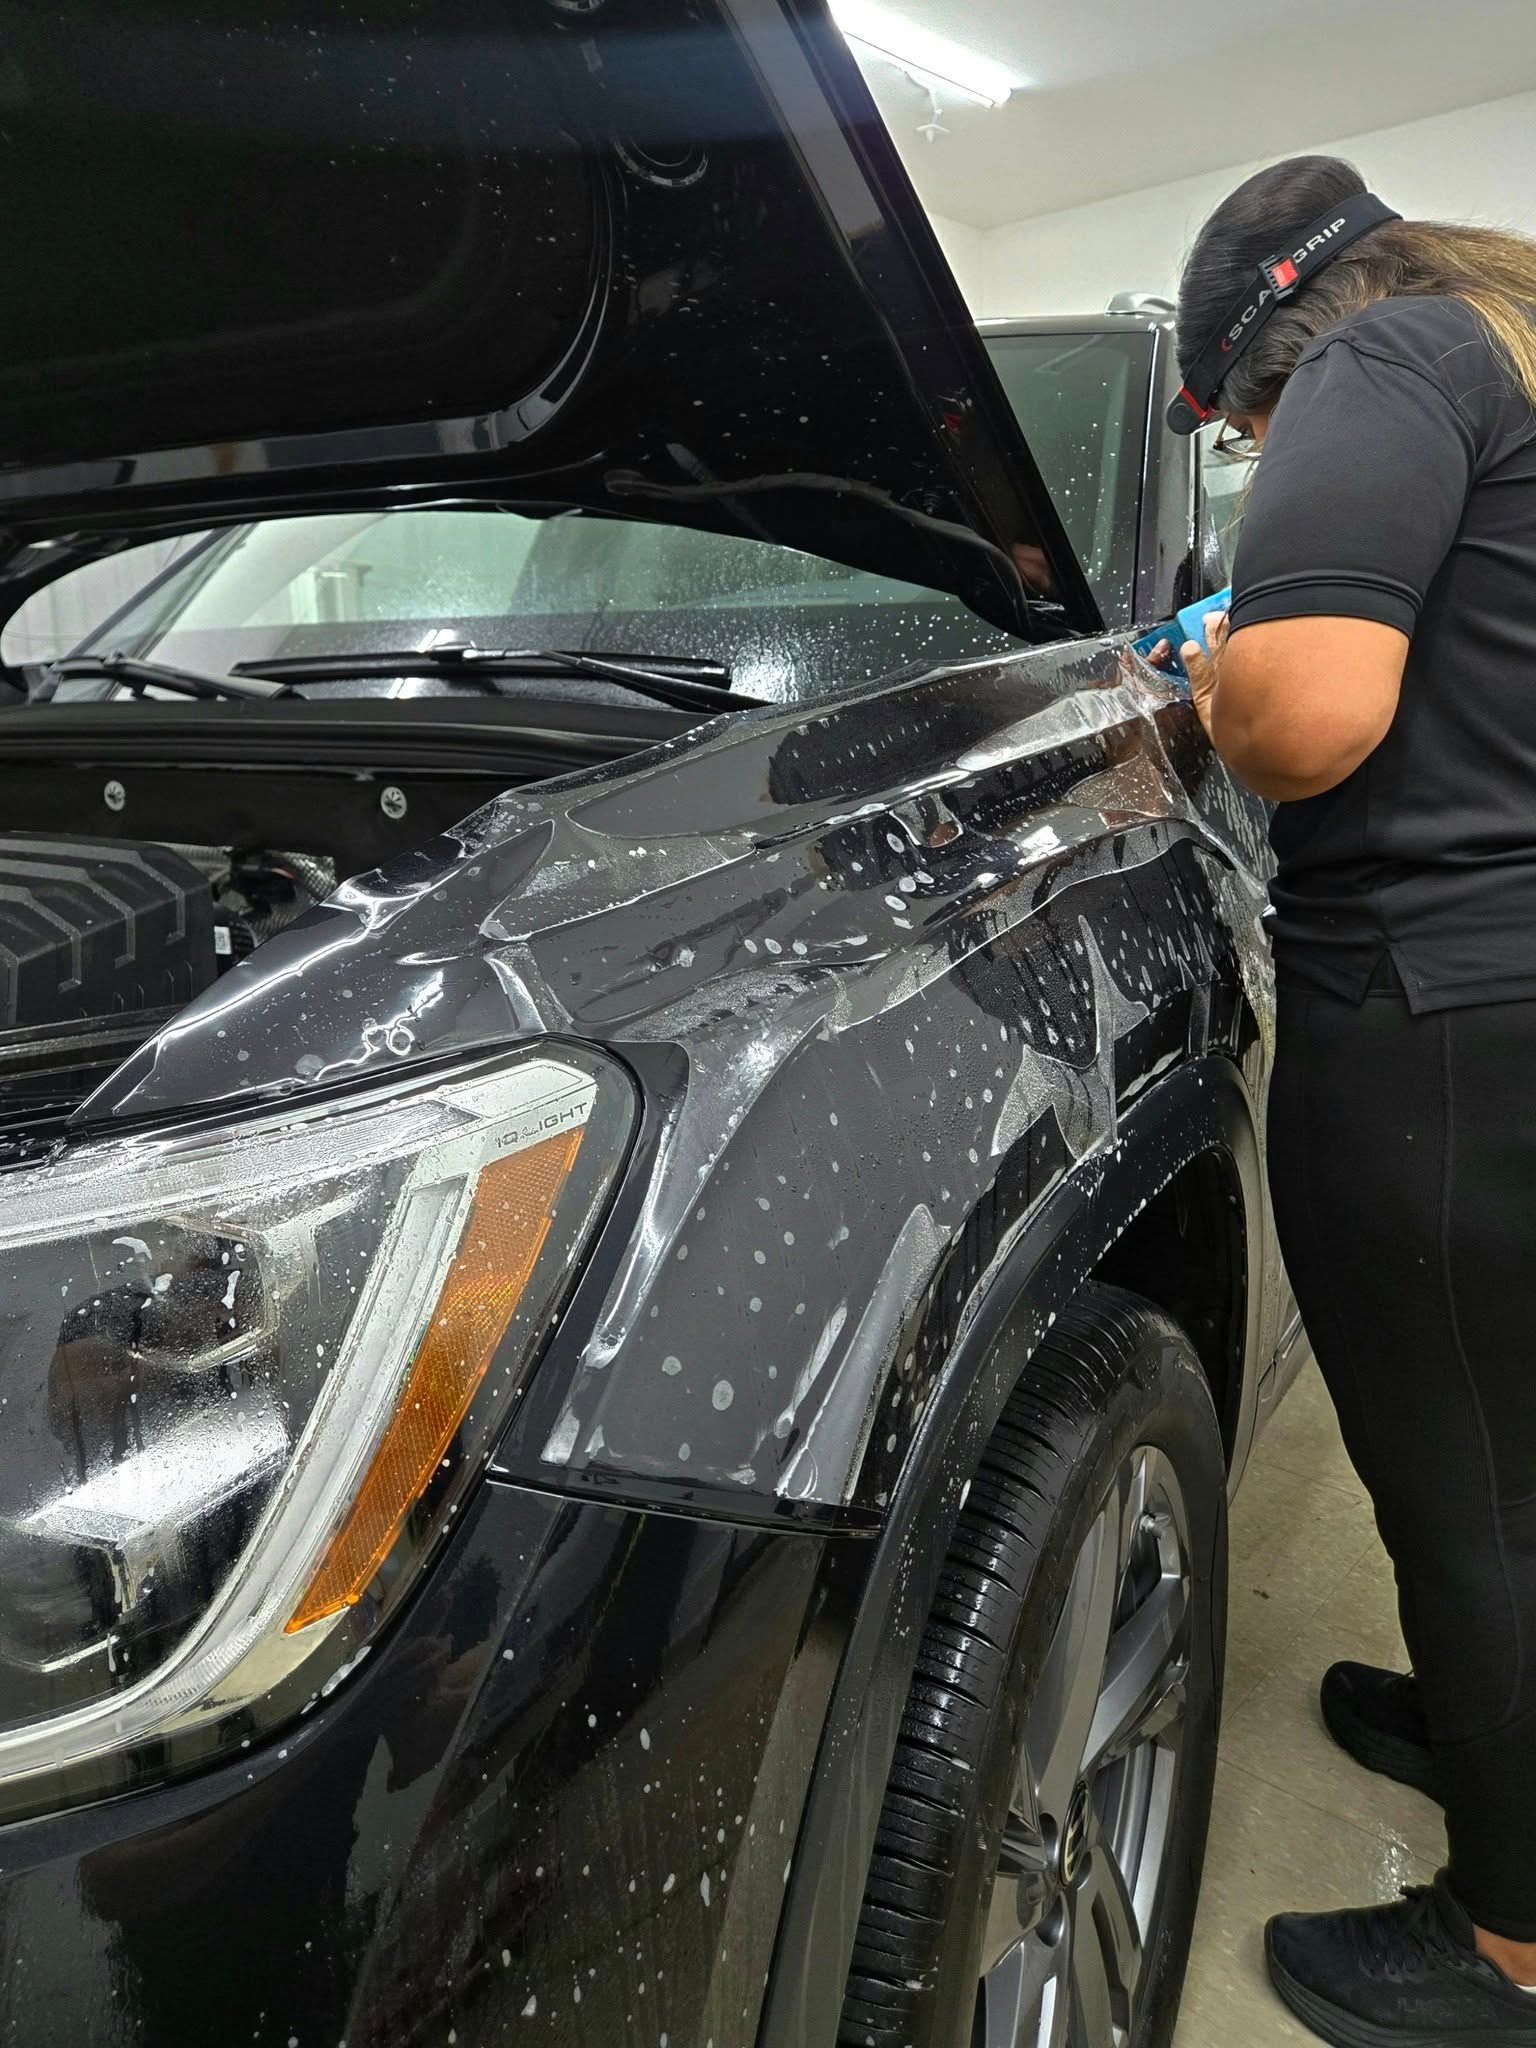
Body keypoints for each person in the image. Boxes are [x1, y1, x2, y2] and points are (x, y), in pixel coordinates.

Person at [1162, 154, 1536, 2046]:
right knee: (1512, 1447)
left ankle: (1511, 1943)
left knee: (1473, 1474)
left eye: (1241, 429)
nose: (1250, 452)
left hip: (1445, 1012)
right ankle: (1484, 1719)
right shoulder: (1502, 352)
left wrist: (1223, 673)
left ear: (1272, 350)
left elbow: (1309, 719)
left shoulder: (1383, 367)